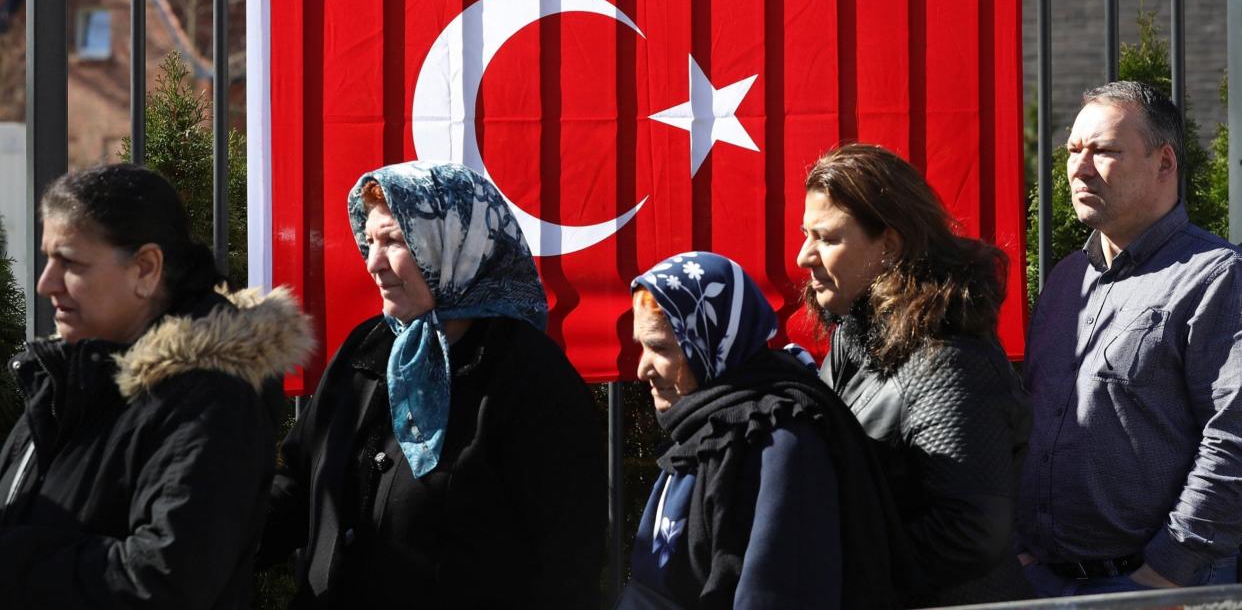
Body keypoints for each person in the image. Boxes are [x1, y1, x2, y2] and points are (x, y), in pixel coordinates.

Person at [259, 160, 606, 608]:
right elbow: (300, 483)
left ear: (457, 242)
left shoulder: (529, 377)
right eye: (369, 242)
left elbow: (568, 558)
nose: (373, 263)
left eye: (394, 241)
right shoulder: (365, 350)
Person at [0, 163, 312, 609]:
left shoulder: (211, 399)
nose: (46, 283)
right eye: (48, 258)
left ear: (146, 269)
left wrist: (12, 561)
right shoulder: (74, 374)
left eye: (70, 262)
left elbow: (165, 578)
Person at [1016, 81, 1242, 596]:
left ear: (1164, 163)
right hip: (1047, 582)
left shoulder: (1215, 277)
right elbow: (1028, 415)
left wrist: (1165, 573)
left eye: (1105, 151)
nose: (1079, 167)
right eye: (1074, 150)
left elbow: (1234, 437)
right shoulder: (1066, 279)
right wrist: (1024, 554)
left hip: (1159, 588)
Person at [797, 143, 1031, 606]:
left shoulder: (948, 360)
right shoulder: (855, 334)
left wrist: (845, 569)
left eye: (826, 238)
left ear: (891, 244)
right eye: (806, 234)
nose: (805, 255)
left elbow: (970, 532)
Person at [622, 250, 912, 610]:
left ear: (712, 340)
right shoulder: (703, 431)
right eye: (642, 347)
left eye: (660, 347)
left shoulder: (779, 443)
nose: (642, 369)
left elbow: (779, 592)